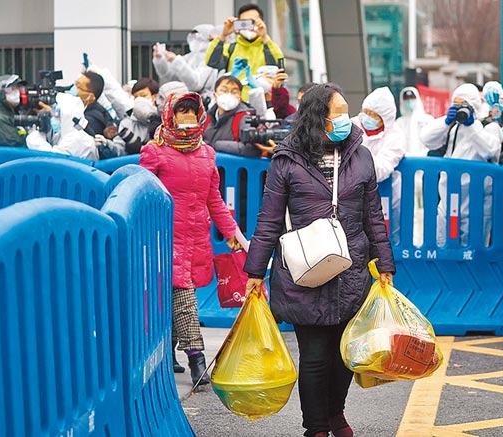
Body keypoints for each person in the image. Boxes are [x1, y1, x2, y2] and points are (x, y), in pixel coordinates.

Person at [243, 83, 395, 437]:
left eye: (346, 110)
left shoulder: (361, 155)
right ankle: (315, 428)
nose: (346, 118)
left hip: (351, 269)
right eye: (337, 112)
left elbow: (374, 216)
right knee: (313, 356)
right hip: (304, 269)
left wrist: (384, 264)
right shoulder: (286, 158)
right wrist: (255, 271)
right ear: (317, 116)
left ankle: (335, 415)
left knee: (344, 353)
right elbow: (268, 219)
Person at [139, 92, 243, 385]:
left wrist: (233, 233)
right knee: (184, 296)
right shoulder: (154, 151)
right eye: (181, 112)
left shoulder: (207, 153)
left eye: (191, 112)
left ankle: (169, 352)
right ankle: (196, 356)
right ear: (169, 115)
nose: (187, 118)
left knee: (179, 296)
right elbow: (142, 195)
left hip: (196, 237)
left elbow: (215, 200)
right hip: (165, 238)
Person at [420, 83, 503, 245]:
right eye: (456, 104)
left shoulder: (488, 127)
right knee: (442, 244)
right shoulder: (452, 127)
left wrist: (471, 125)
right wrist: (446, 121)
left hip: (477, 200)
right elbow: (426, 139)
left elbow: (490, 150)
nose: (460, 109)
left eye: (463, 105)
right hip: (448, 195)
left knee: (472, 250)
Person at [206, 3, 285, 101]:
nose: (248, 27)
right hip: (235, 104)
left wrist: (264, 37)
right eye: (244, 23)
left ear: (262, 22)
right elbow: (211, 62)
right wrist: (223, 35)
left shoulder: (269, 47)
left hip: (264, 104)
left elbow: (280, 68)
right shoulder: (230, 48)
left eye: (252, 22)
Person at [394, 86, 434, 245]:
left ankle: (425, 240)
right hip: (405, 173)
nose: (409, 102)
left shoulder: (428, 120)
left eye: (412, 98)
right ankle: (411, 240)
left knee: (426, 207)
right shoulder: (399, 123)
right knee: (409, 207)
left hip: (425, 171)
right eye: (406, 99)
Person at [153, 24, 220, 103]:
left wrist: (176, 61)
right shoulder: (190, 57)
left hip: (205, 102)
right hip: (187, 101)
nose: (195, 40)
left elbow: (196, 84)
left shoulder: (212, 58)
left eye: (199, 38)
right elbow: (169, 75)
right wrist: (160, 60)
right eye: (193, 37)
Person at [354, 87, 406, 183]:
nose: (367, 117)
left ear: (386, 119)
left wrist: (356, 151)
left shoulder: (395, 137)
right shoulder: (352, 125)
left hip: (385, 192)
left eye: (373, 115)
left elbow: (381, 170)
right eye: (366, 112)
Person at [25, 93, 100, 160]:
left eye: (58, 114)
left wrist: (34, 138)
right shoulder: (66, 134)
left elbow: (51, 159)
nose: (54, 116)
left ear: (67, 116)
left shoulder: (77, 139)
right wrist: (44, 129)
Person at [202, 75, 260, 157]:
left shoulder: (244, 118)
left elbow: (251, 148)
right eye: (224, 90)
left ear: (240, 98)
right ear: (215, 95)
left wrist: (217, 145)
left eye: (234, 92)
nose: (229, 95)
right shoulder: (207, 117)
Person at [0, 74, 28, 147]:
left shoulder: (12, 115)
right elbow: (15, 147)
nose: (16, 92)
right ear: (1, 94)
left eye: (17, 88)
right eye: (11, 89)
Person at [70, 71, 112, 136]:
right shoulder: (80, 109)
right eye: (75, 84)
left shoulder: (93, 120)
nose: (72, 89)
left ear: (90, 96)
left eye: (79, 87)